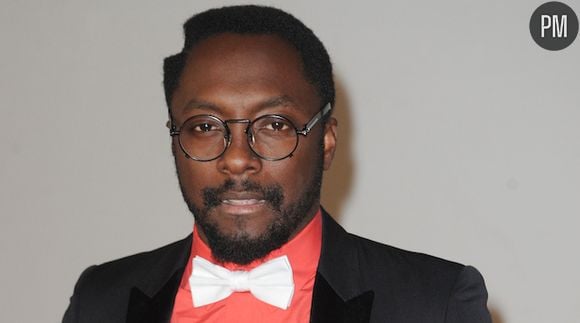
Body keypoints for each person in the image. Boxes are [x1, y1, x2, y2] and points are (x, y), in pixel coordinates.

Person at [63, 5, 491, 323]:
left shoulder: (435, 303)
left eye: (274, 124)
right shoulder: (101, 301)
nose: (236, 159)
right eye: (204, 126)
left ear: (325, 140)